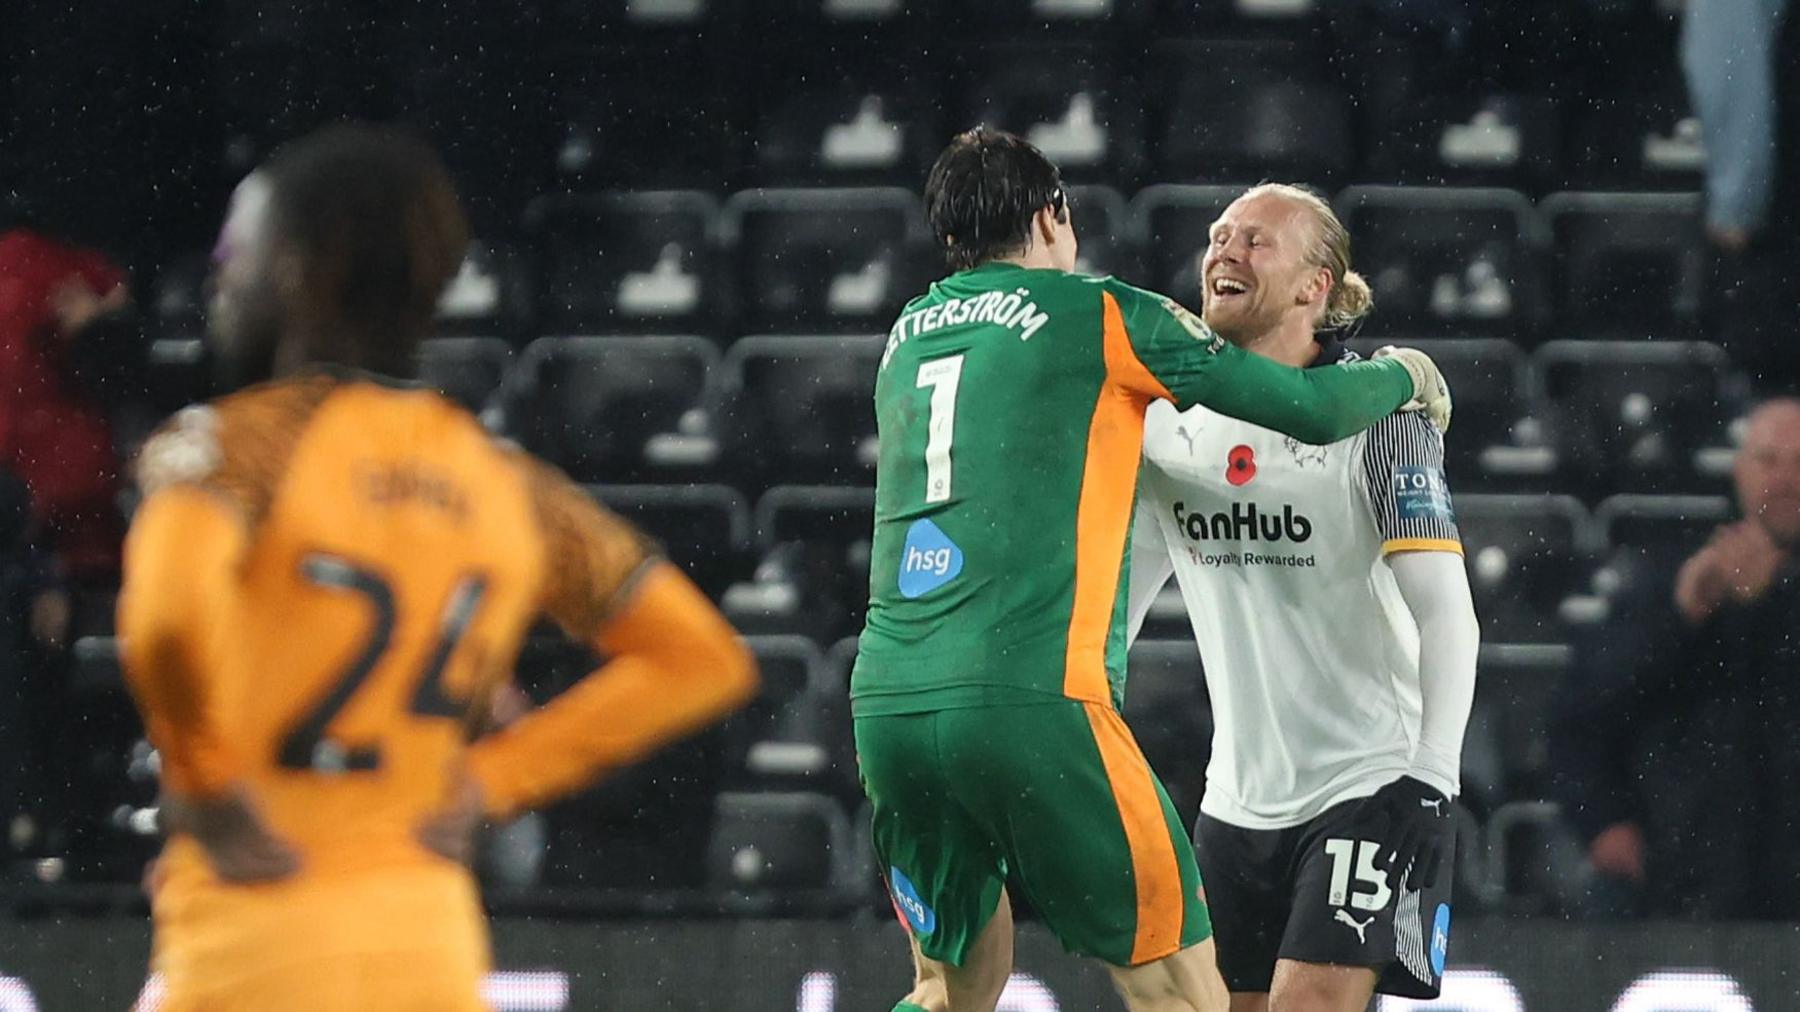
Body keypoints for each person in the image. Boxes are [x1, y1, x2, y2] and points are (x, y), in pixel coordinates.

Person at [118, 123, 758, 1011]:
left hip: (251, 949)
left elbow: (166, 620)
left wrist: (205, 781)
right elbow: (702, 659)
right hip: (428, 948)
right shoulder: (504, 483)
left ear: (299, 272)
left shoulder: (231, 448)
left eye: (236, 249)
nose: (221, 275)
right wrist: (493, 783)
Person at [851, 130, 1451, 1012]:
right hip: (1032, 699)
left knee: (953, 988)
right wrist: (1405, 375)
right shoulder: (1097, 313)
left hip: (889, 704)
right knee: (1182, 995)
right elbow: (1312, 410)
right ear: (1054, 211)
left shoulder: (906, 336)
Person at [1124, 184, 1480, 1012]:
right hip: (1236, 798)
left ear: (1316, 286)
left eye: (1257, 241)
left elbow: (1446, 611)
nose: (1225, 252)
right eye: (1218, 237)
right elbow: (1127, 603)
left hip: (1371, 779)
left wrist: (1432, 776)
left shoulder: (1384, 415)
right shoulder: (1164, 425)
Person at [1551, 397, 1800, 919]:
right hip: (1680, 875)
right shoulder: (1668, 576)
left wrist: (1777, 601)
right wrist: (1683, 613)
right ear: (1739, 470)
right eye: (1770, 460)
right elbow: (1584, 713)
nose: (1786, 480)